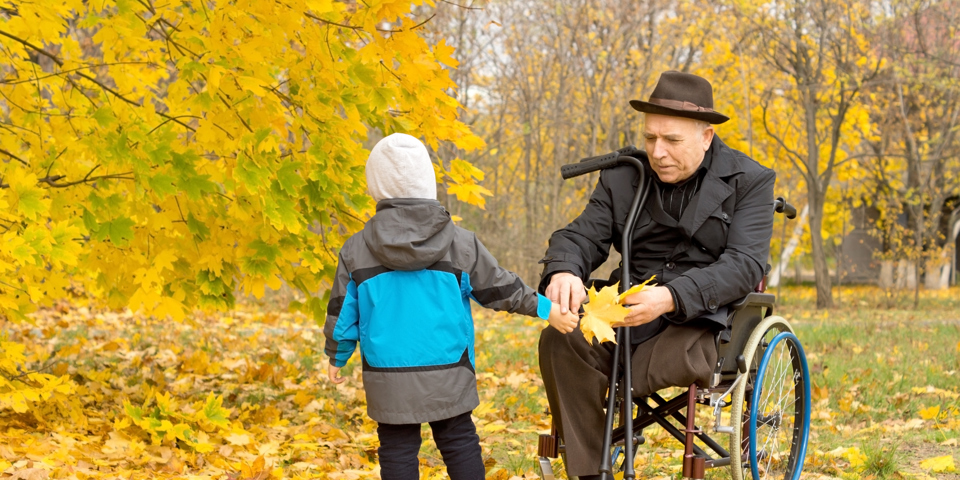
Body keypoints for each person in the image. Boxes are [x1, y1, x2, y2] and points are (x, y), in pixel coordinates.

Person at [537, 71, 776, 478]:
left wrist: (670, 297)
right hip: (627, 310)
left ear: (706, 136)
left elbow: (744, 264)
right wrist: (564, 270)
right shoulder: (623, 176)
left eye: (672, 140)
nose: (658, 152)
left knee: (653, 363)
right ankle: (589, 471)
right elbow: (580, 236)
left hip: (700, 319)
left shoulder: (749, 180)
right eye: (650, 138)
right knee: (560, 339)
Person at [323, 133, 580, 480]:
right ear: (427, 182)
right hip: (450, 369)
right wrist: (546, 309)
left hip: (387, 375)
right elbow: (500, 287)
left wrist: (337, 355)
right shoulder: (460, 243)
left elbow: (342, 313)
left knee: (397, 448)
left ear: (375, 186)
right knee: (459, 441)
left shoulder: (356, 250)